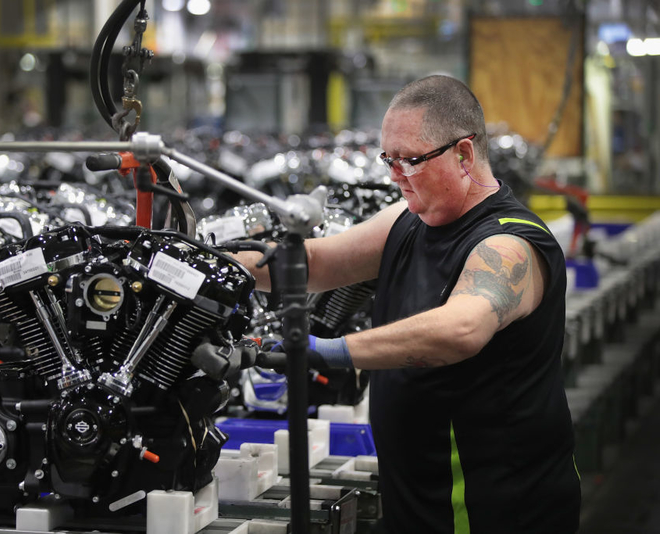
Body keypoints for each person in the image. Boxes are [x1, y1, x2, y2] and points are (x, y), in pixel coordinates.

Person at [238, 75, 580, 533]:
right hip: (420, 504)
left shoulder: (509, 244)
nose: (394, 174)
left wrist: (327, 350)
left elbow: (459, 330)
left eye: (411, 160)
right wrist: (204, 261)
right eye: (388, 158)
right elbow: (313, 264)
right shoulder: (407, 220)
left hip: (495, 510)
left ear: (463, 154)